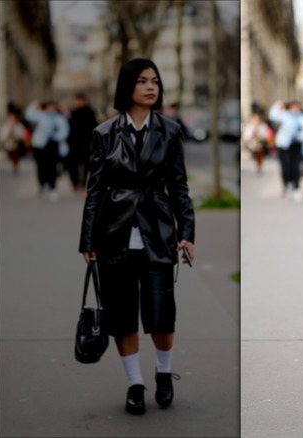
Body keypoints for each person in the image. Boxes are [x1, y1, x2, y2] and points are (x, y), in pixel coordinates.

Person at [78, 58, 195, 416]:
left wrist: (187, 232)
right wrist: (88, 240)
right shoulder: (105, 133)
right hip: (114, 234)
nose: (151, 87)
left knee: (162, 313)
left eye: (155, 81)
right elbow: (94, 190)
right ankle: (134, 384)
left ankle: (162, 374)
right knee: (121, 315)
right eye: (142, 80)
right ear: (127, 86)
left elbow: (179, 186)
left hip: (158, 231)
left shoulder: (170, 130)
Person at [25, 100, 70, 202]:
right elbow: (29, 115)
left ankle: (52, 187)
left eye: (53, 107)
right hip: (39, 146)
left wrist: (56, 136)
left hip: (52, 145)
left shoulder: (59, 118)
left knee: (52, 167)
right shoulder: (41, 116)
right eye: (49, 107)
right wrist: (34, 105)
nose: (51, 109)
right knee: (41, 166)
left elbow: (64, 131)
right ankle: (42, 184)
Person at [269, 100, 303, 201]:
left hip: (297, 145)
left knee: (296, 167)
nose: (295, 109)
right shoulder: (284, 116)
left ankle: (296, 187)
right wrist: (277, 105)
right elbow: (273, 115)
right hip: (284, 146)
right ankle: (286, 184)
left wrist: (300, 137)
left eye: (296, 107)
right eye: (293, 107)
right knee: (286, 167)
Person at [66, 93, 99, 194]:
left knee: (86, 165)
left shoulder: (90, 112)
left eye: (79, 100)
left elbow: (94, 128)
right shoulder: (72, 113)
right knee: (72, 165)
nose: (78, 103)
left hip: (86, 143)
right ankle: (75, 183)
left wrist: (93, 143)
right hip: (73, 143)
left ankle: (83, 183)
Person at [0, 104, 30, 174]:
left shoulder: (19, 126)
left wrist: (17, 136)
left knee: (15, 153)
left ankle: (15, 166)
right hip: (7, 144)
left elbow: (23, 135)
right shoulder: (5, 126)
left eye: (13, 118)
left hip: (16, 144)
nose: (12, 120)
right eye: (11, 118)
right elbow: (2, 136)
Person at [241, 106, 272, 173]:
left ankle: (259, 165)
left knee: (259, 149)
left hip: (259, 145)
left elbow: (267, 136)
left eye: (257, 118)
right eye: (255, 118)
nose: (256, 119)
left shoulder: (263, 126)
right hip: (250, 146)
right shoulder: (249, 126)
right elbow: (245, 137)